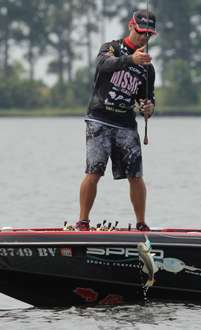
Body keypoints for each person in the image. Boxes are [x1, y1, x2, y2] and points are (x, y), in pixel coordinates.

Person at [75, 9, 157, 231]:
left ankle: (141, 224)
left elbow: (146, 101)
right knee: (94, 170)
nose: (144, 38)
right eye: (141, 32)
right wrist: (131, 58)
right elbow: (103, 64)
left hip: (126, 125)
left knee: (136, 175)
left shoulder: (148, 68)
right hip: (99, 120)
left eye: (148, 35)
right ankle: (83, 221)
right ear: (131, 26)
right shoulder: (111, 47)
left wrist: (148, 108)